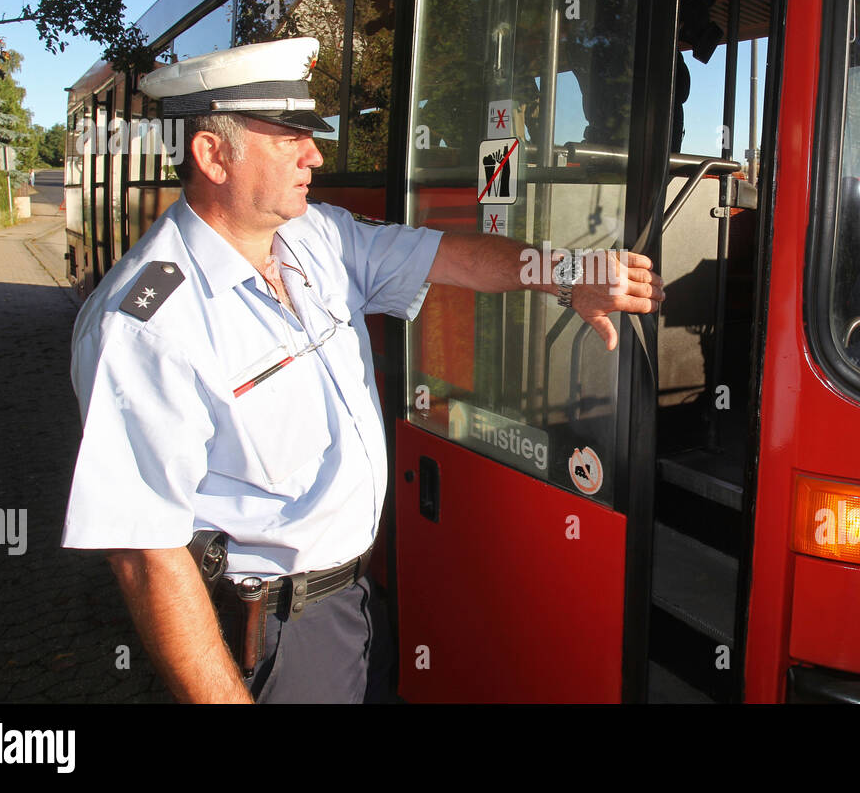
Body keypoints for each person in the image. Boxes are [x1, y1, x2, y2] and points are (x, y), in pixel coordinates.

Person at [62, 37, 663, 703]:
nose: (314, 154)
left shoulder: (316, 236)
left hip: (356, 601)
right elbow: (147, 555)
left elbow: (452, 259)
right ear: (213, 155)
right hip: (269, 636)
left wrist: (566, 273)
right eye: (290, 136)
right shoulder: (146, 324)